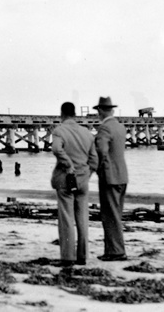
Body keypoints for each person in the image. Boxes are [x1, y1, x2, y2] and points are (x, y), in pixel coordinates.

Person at [51, 102, 98, 266]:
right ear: (75, 114)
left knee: (66, 218)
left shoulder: (59, 131)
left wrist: (68, 164)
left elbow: (56, 149)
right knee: (83, 219)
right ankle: (82, 256)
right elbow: (94, 160)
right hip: (83, 180)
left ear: (62, 114)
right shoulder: (87, 133)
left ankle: (68, 257)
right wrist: (87, 174)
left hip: (65, 179)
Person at [93, 97, 129, 261]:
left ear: (100, 111)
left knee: (109, 215)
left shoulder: (104, 128)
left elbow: (101, 151)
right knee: (116, 214)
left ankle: (115, 251)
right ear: (112, 110)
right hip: (122, 175)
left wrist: (99, 169)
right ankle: (114, 249)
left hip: (110, 177)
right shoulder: (120, 127)